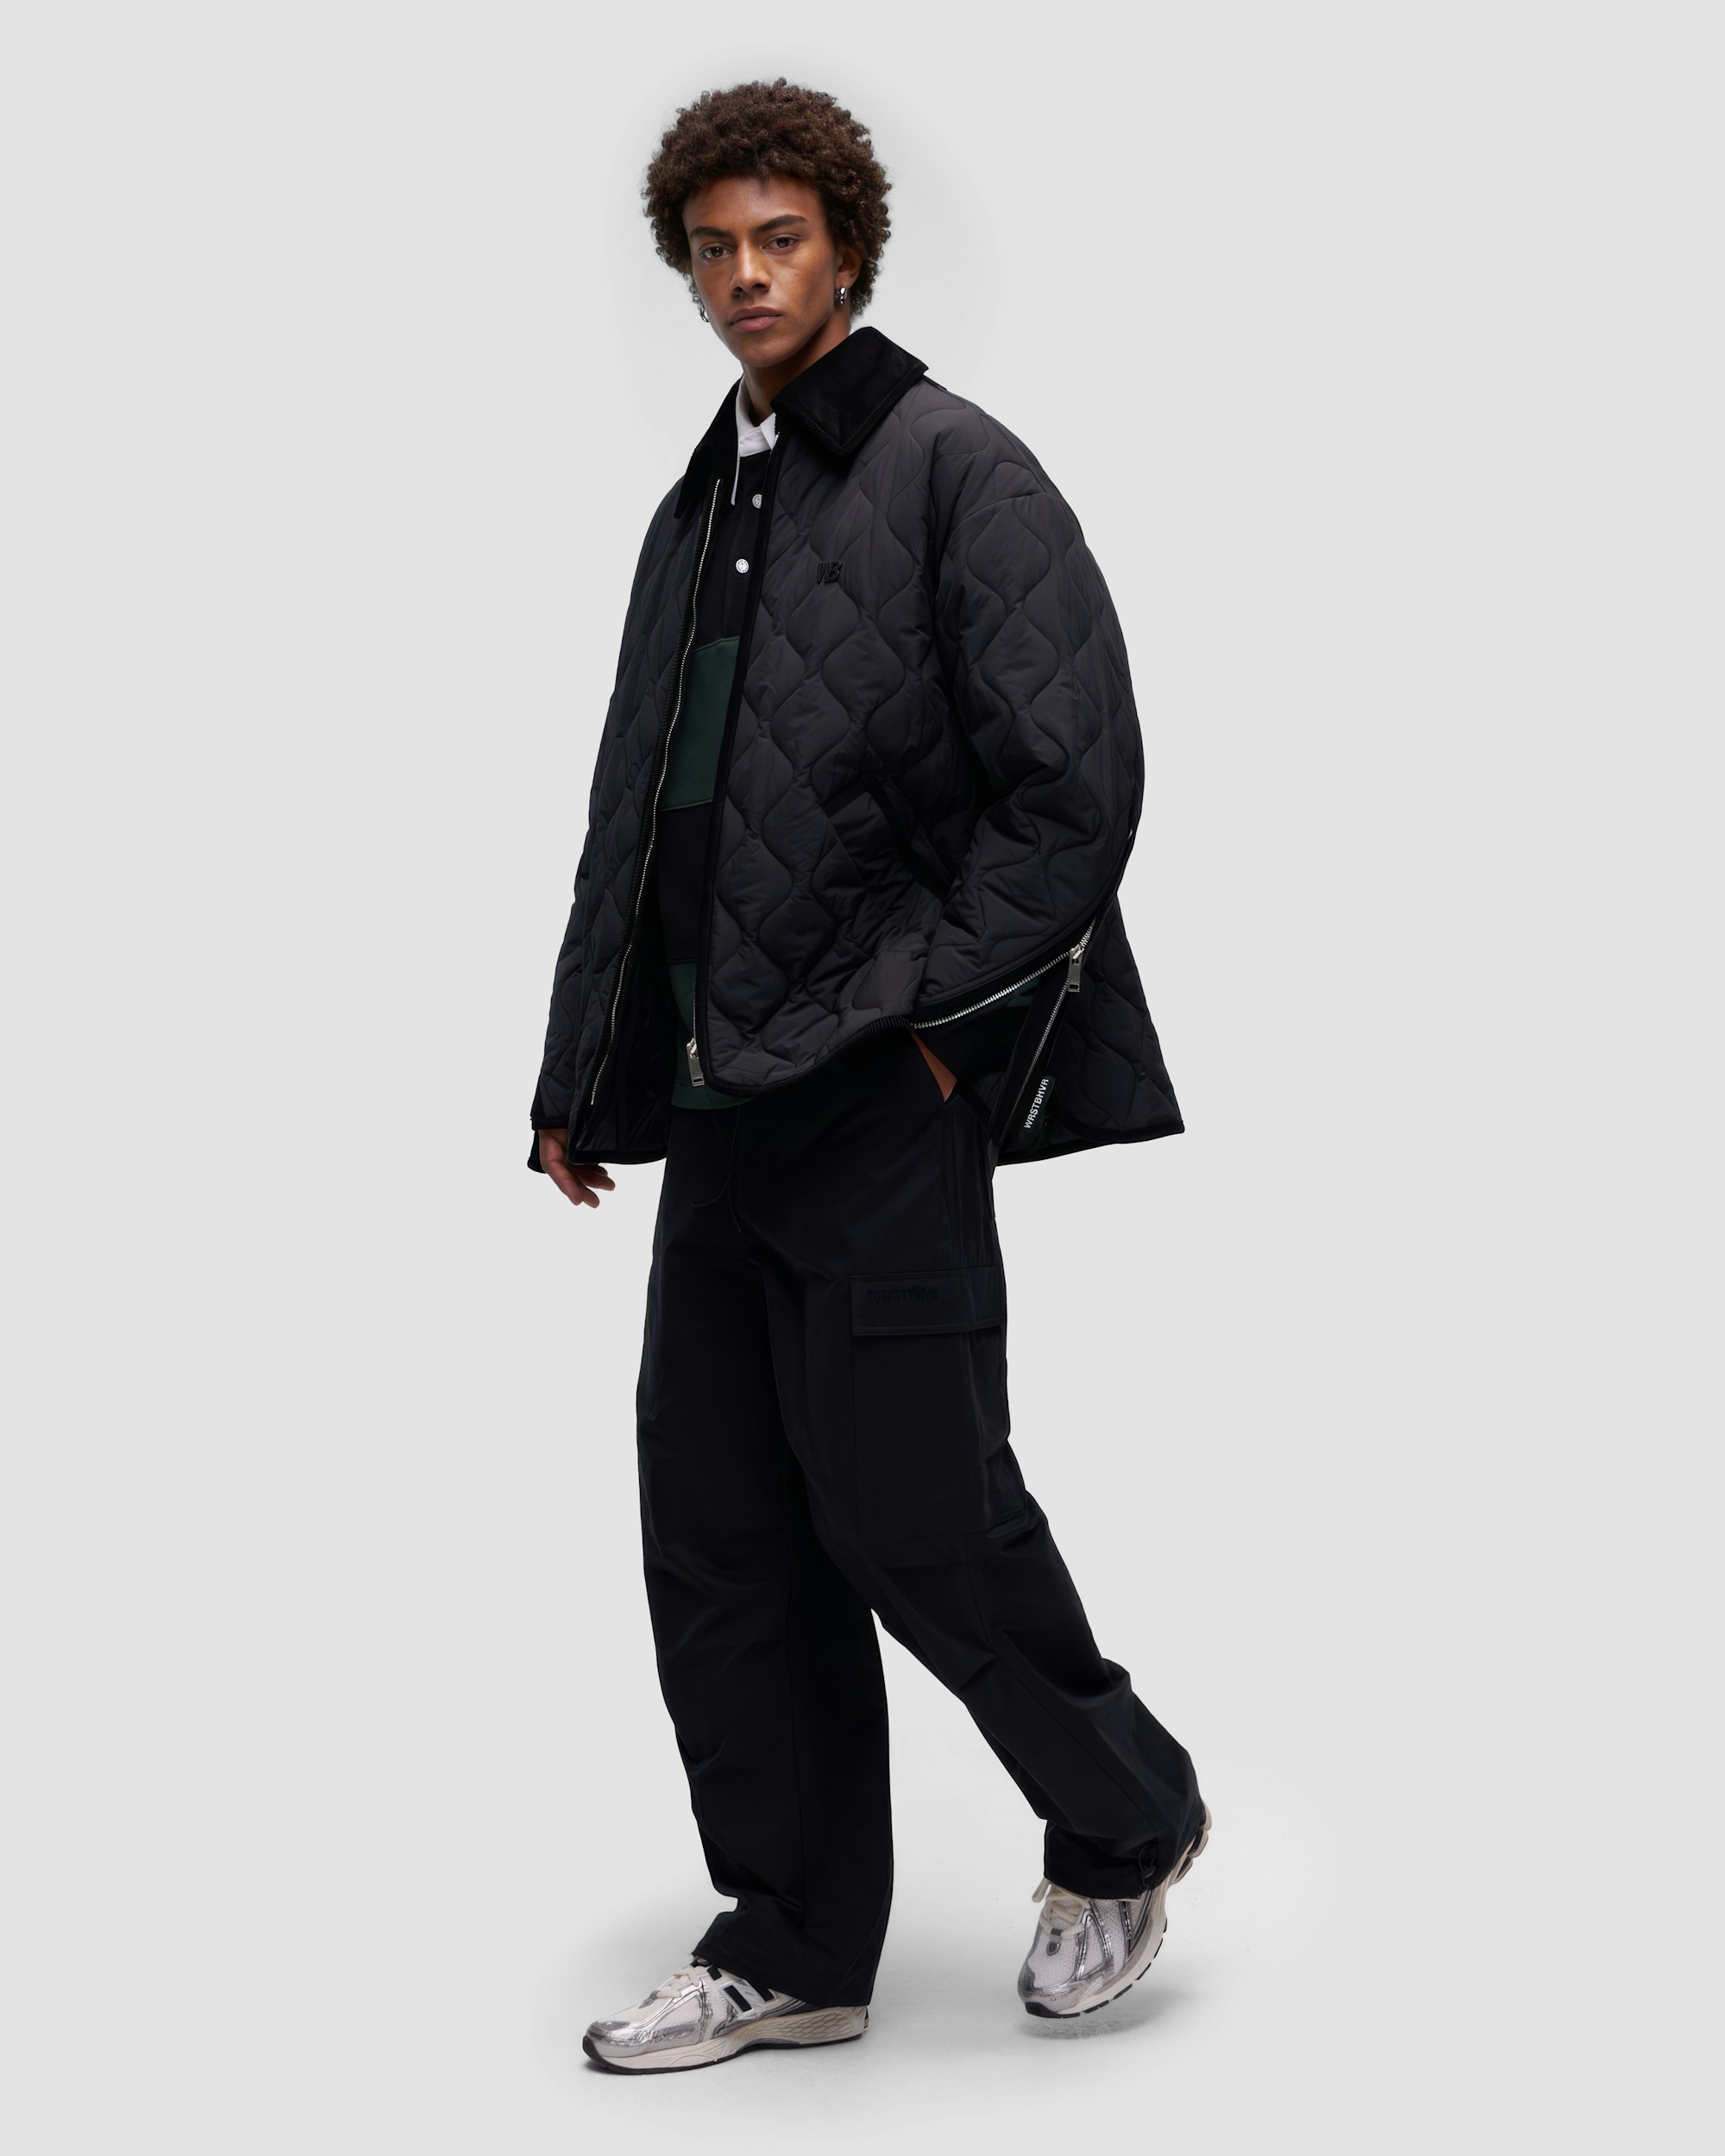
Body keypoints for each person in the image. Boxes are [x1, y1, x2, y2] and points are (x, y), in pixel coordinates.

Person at [530, 78, 1209, 2076]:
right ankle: (793, 1940)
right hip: (722, 1104)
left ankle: (1125, 1814)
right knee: (721, 1533)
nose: (746, 278)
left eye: (781, 241)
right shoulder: (706, 502)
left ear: (847, 248)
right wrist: (581, 1067)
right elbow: (642, 813)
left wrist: (922, 1033)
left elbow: (1071, 789)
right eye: (714, 251)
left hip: (876, 1097)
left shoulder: (952, 469)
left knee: (917, 1510)